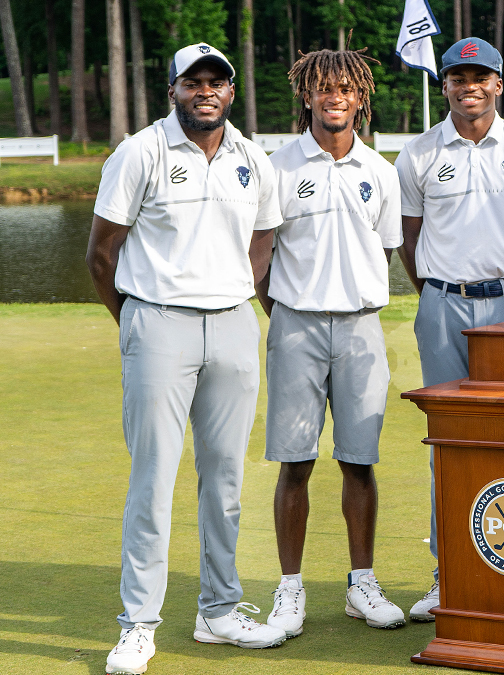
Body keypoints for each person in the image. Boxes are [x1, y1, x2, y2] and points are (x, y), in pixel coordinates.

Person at [86, 43, 288, 675]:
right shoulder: (139, 152)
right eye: (193, 81)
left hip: (232, 325)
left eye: (217, 82)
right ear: (172, 89)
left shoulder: (253, 158)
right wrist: (140, 325)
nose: (206, 91)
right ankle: (139, 624)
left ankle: (219, 611)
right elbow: (101, 253)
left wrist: (236, 293)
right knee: (154, 478)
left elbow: (264, 240)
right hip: (159, 323)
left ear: (231, 92)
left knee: (225, 479)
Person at [395, 36, 504, 621]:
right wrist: (438, 290)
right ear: (445, 87)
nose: (470, 87)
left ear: (498, 83)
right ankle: (450, 570)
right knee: (451, 444)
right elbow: (409, 240)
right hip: (442, 308)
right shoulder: (416, 154)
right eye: (458, 78)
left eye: (479, 76)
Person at [256, 48, 406, 638]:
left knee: (359, 462)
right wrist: (286, 312)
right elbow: (261, 257)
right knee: (294, 463)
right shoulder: (278, 167)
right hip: (296, 325)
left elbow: (387, 249)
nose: (334, 96)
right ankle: (289, 590)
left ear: (360, 97)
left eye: (345, 87)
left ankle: (361, 584)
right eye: (323, 87)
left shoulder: (382, 172)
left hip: (362, 327)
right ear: (307, 95)